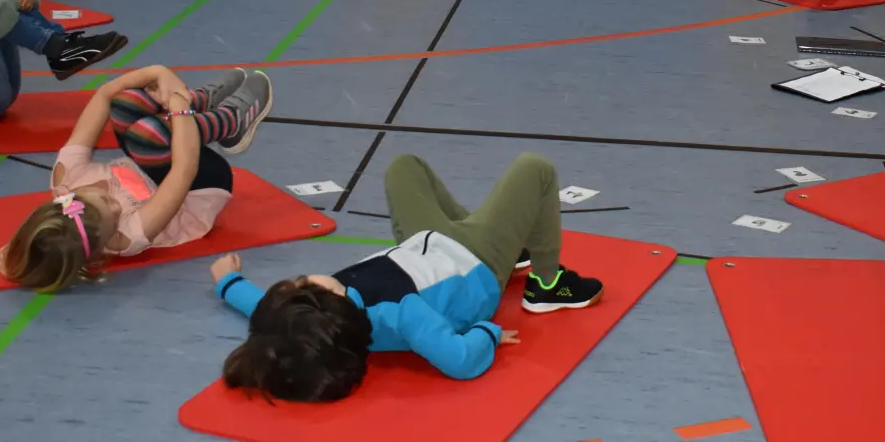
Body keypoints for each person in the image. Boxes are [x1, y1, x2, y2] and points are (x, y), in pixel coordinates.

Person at [210, 153, 604, 402]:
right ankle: (548, 285)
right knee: (536, 170)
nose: (303, 281)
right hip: (477, 262)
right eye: (306, 285)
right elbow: (460, 361)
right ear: (332, 301)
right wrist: (489, 332)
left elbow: (267, 314)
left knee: (404, 166)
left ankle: (510, 236)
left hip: (426, 244)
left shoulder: (316, 316)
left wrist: (229, 283)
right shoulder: (403, 315)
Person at [0, 65, 273, 293]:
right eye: (113, 216)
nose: (117, 206)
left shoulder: (66, 178)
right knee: (148, 136)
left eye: (106, 200)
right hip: (200, 185)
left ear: (69, 199)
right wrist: (178, 106)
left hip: (153, 163)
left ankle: (202, 101)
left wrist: (157, 73)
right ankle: (230, 120)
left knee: (126, 100)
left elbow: (104, 96)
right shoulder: (128, 236)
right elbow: (184, 170)